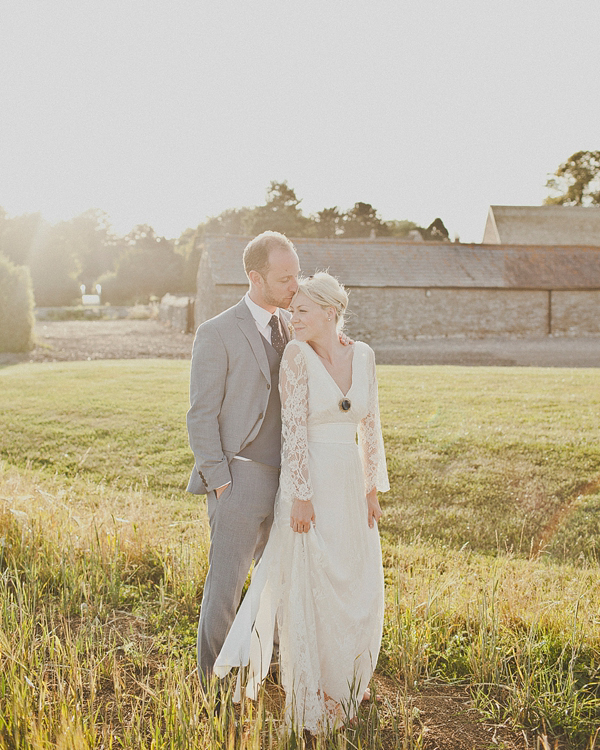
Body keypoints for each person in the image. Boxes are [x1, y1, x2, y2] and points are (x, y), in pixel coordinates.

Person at [214, 272, 390, 733]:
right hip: (308, 483)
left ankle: (349, 675)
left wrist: (371, 489)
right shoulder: (295, 355)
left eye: (303, 311)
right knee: (315, 582)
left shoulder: (364, 355)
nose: (294, 318)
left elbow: (370, 425)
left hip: (350, 480)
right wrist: (301, 497)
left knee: (356, 577)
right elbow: (292, 432)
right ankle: (318, 689)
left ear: (331, 314)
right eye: (293, 310)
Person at [186, 230, 300, 683]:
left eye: (298, 275)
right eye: (285, 278)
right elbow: (201, 414)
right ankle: (211, 684)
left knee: (278, 583)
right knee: (226, 589)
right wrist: (220, 480)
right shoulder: (216, 332)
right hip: (239, 478)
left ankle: (266, 671)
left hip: (289, 482)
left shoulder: (295, 325)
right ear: (255, 278)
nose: (296, 286)